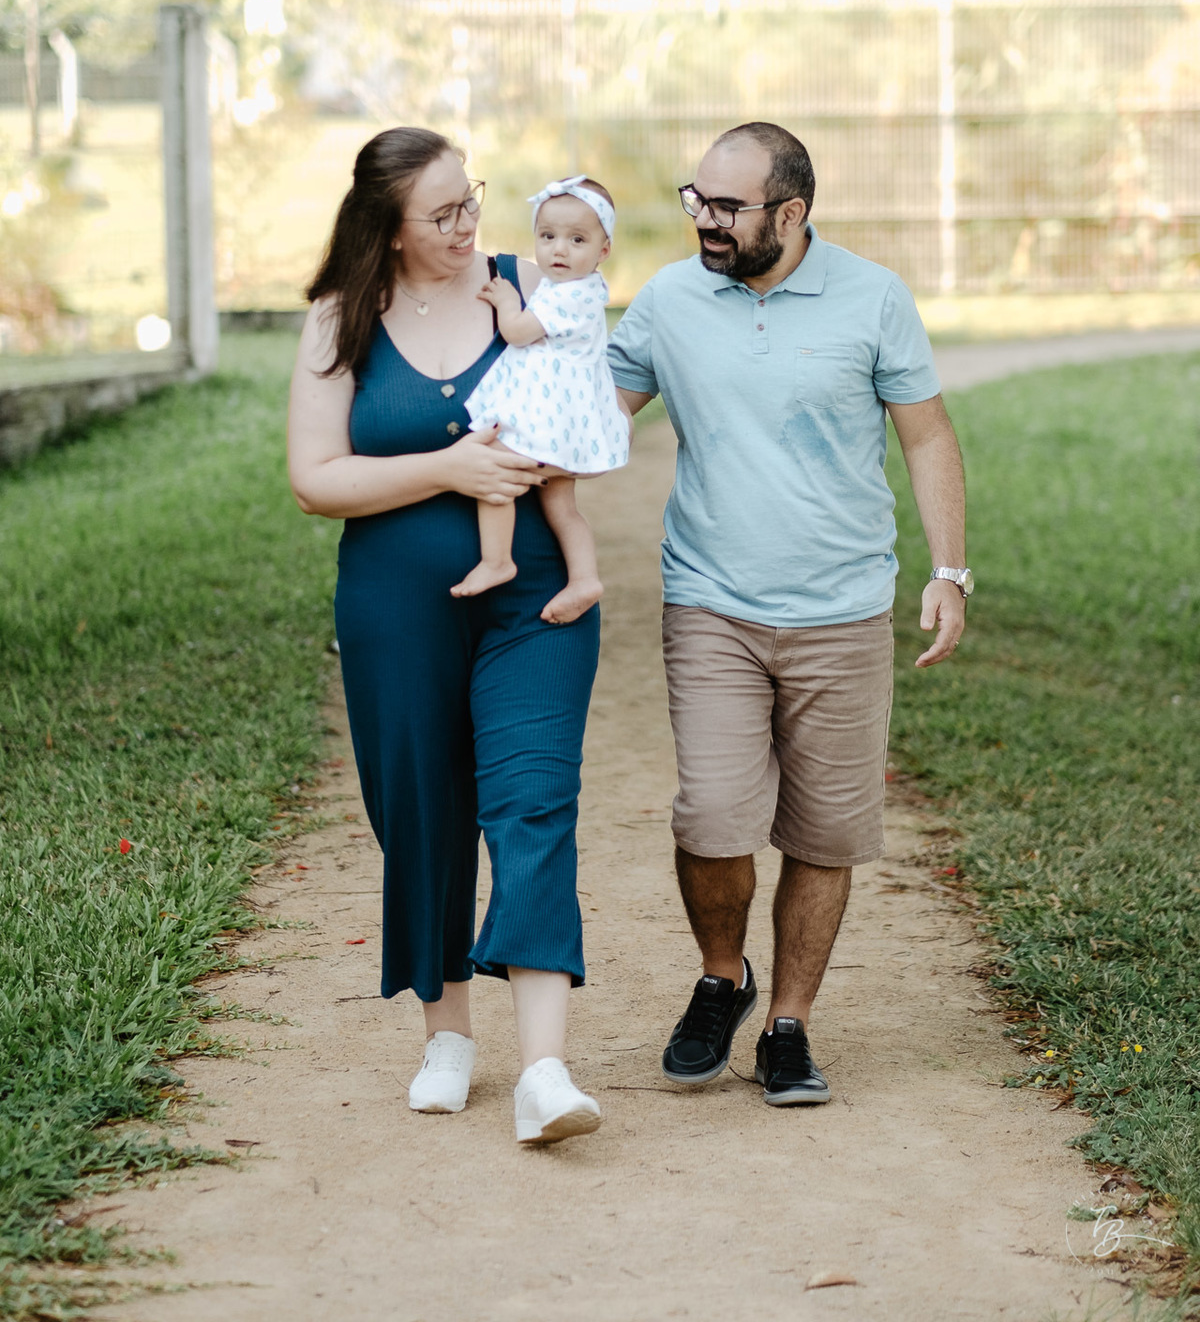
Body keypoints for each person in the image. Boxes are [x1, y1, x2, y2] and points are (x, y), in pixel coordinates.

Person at [607, 122, 970, 1107]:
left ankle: (788, 1025)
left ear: (792, 212)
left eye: (728, 207)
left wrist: (951, 572)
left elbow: (928, 439)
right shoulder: (673, 299)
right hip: (712, 603)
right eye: (697, 199)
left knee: (823, 834)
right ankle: (722, 978)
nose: (705, 221)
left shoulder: (872, 296)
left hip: (845, 610)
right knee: (715, 818)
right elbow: (598, 413)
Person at [287, 126, 604, 1145]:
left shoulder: (527, 283)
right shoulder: (342, 317)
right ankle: (448, 1036)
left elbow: (594, 377)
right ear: (388, 223)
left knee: (534, 799)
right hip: (393, 605)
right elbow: (315, 479)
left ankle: (545, 1070)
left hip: (536, 600)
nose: (472, 225)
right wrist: (449, 469)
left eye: (475, 201)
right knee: (421, 809)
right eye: (445, 212)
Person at [451, 175, 629, 624]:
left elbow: (517, 332)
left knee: (493, 466)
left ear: (603, 250)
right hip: (563, 420)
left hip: (550, 420)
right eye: (547, 237)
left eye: (576, 239)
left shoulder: (570, 295)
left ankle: (497, 561)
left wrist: (508, 300)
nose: (559, 250)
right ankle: (584, 577)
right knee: (562, 507)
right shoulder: (581, 287)